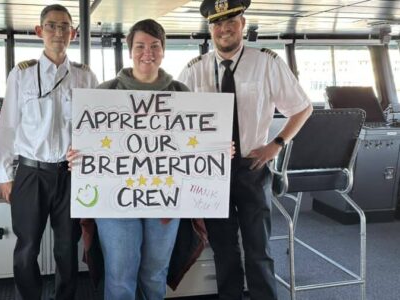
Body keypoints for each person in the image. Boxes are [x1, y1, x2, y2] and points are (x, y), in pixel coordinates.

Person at [178, 0, 313, 299]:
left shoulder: (266, 62)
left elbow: (303, 108)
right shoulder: (194, 70)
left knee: (258, 249)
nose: (223, 28)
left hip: (253, 167)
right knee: (223, 248)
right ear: (209, 28)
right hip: (212, 172)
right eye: (217, 23)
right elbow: (176, 119)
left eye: (230, 21)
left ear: (242, 22)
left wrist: (275, 145)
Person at [70, 19, 211, 300]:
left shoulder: (182, 92)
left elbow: (195, 144)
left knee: (154, 272)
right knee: (121, 275)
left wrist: (215, 151)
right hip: (115, 201)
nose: (147, 52)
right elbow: (87, 141)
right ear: (129, 49)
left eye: (154, 46)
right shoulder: (105, 92)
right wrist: (77, 155)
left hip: (165, 200)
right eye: (140, 46)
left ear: (163, 50)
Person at [0, 4, 98, 300]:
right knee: (27, 247)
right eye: (52, 25)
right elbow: (8, 126)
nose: (59, 32)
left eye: (65, 26)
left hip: (70, 175)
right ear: (39, 32)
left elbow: (96, 128)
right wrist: (4, 174)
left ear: (74, 33)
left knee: (67, 247)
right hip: (30, 173)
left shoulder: (85, 76)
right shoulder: (22, 74)